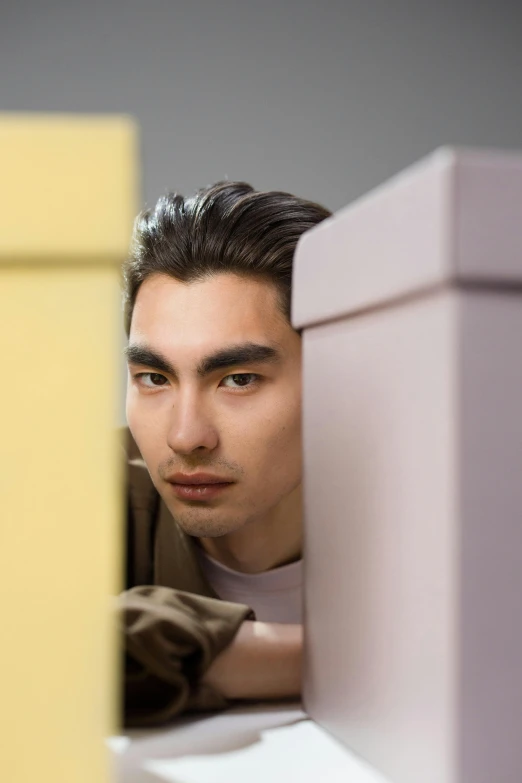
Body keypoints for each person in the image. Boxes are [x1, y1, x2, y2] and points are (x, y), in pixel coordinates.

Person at [120, 181, 331, 726]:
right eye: (153, 377)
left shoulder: (446, 523)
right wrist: (340, 659)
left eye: (238, 379)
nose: (186, 437)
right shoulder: (92, 494)